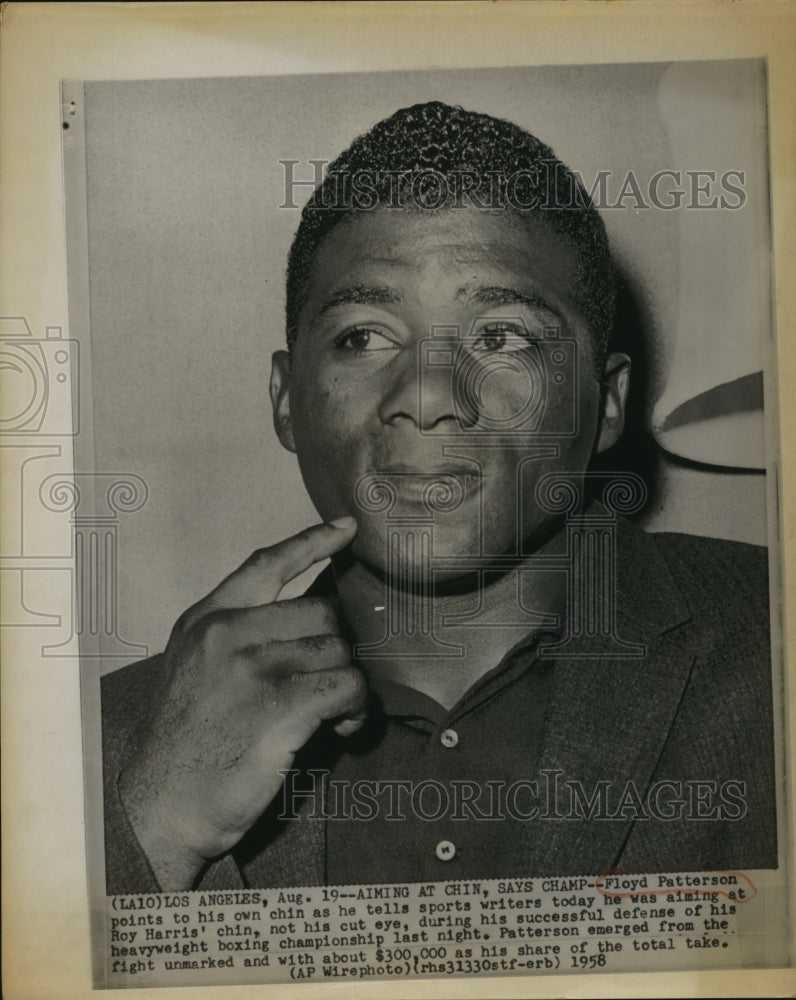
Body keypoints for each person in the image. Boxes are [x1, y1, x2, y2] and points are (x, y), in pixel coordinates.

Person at [102, 102, 777, 894]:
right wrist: (153, 834)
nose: (426, 395)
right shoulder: (115, 739)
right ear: (287, 400)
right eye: (363, 334)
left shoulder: (774, 645)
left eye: (501, 336)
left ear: (610, 402)